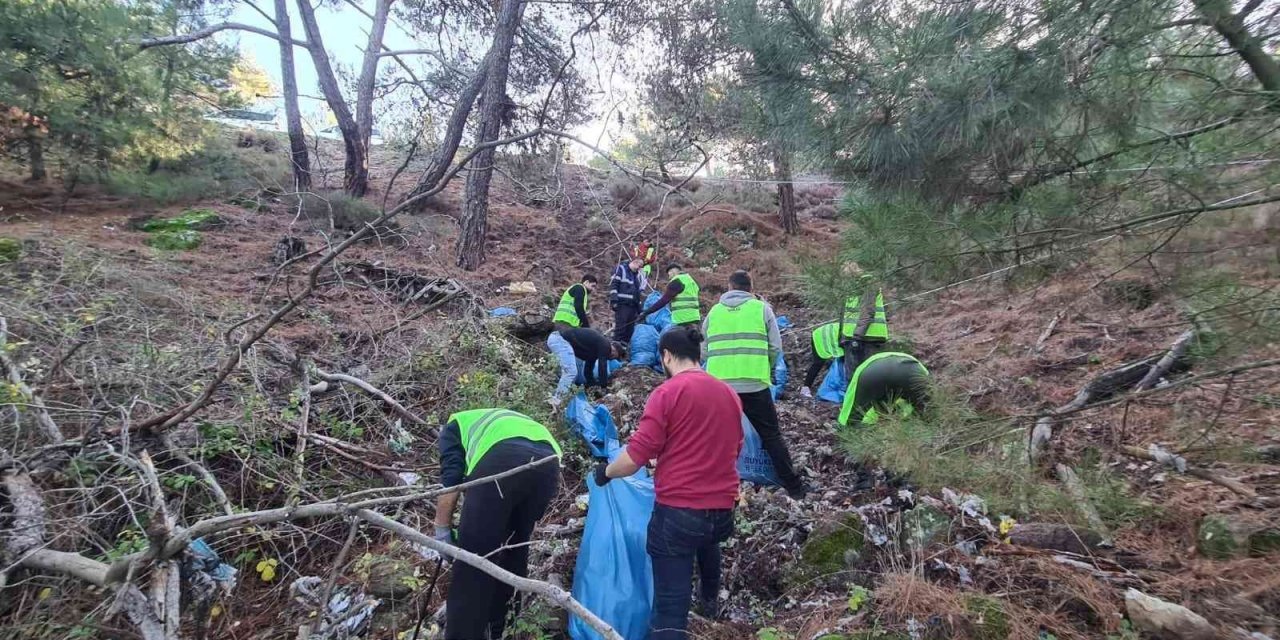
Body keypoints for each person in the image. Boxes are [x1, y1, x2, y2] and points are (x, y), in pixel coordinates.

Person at [594, 326, 742, 639]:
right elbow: (730, 447)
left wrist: (605, 472)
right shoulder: (728, 392)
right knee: (706, 541)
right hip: (722, 512)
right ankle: (709, 603)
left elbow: (635, 456)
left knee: (670, 608)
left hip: (679, 515)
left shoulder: (668, 392)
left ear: (666, 356)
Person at [435, 408, 562, 640]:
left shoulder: (453, 426)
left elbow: (450, 484)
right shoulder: (495, 420)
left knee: (473, 560)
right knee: (513, 550)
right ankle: (503, 629)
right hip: (548, 463)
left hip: (502, 459)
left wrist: (442, 531)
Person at [702, 270, 808, 499]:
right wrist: (763, 366)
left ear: (729, 287)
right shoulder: (762, 309)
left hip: (720, 388)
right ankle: (794, 487)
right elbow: (775, 348)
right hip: (754, 385)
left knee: (718, 436)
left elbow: (704, 350)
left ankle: (713, 484)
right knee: (771, 435)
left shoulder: (714, 312)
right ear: (751, 288)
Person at [837, 350, 930, 426]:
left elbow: (850, 409)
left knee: (850, 420)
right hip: (911, 369)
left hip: (872, 372)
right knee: (927, 409)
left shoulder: (862, 371)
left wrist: (845, 423)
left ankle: (843, 438)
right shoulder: (901, 402)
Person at [548, 327, 627, 405]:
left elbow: (587, 371)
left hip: (559, 341)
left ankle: (559, 400)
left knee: (572, 374)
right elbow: (602, 367)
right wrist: (604, 387)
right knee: (570, 372)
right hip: (559, 340)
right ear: (614, 350)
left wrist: (593, 386)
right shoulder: (606, 344)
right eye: (616, 356)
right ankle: (556, 401)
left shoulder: (594, 351)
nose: (612, 359)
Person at [609, 256, 647, 343]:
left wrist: (639, 310)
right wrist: (614, 300)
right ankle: (615, 349)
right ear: (634, 261)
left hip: (632, 307)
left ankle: (623, 350)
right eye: (639, 265)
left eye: (641, 266)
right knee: (620, 329)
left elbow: (636, 294)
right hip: (622, 305)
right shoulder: (621, 269)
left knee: (629, 331)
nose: (639, 268)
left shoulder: (635, 277)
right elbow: (614, 285)